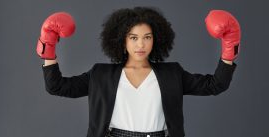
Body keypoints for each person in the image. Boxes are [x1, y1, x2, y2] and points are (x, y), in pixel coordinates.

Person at [36, 7, 240, 137]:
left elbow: (216, 85)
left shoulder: (172, 74)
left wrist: (230, 47)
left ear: (156, 39)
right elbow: (56, 86)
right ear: (122, 41)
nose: (141, 44)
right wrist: (48, 46)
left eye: (147, 37)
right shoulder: (100, 74)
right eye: (133, 37)